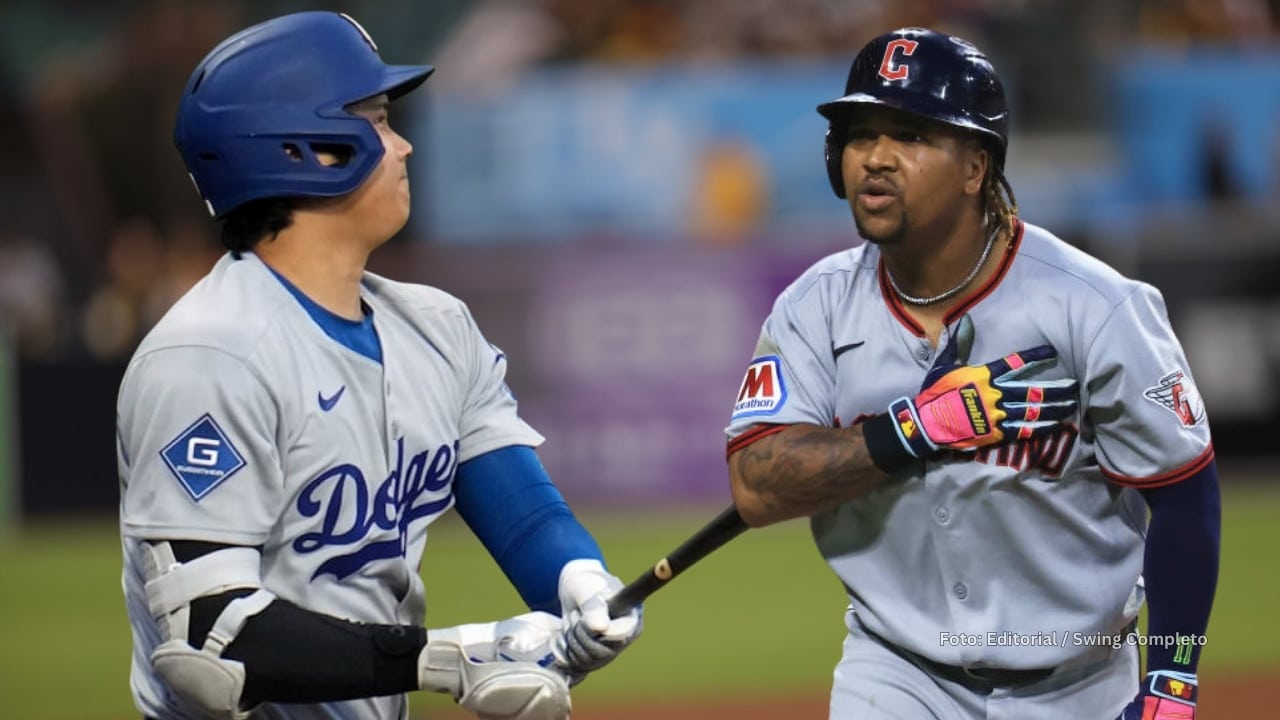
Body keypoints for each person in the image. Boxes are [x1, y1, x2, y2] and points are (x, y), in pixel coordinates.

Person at [115, 12, 641, 720]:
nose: (405, 145)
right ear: (309, 149)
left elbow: (523, 516)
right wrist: (446, 656)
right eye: (379, 120)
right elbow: (208, 643)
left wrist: (579, 582)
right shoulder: (209, 355)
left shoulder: (436, 326)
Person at [724, 27, 1218, 720]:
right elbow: (755, 484)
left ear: (976, 168)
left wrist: (1172, 684)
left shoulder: (1095, 307)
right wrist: (910, 431)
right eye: (863, 135)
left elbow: (1184, 496)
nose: (877, 159)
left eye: (913, 136)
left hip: (1078, 683)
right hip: (893, 671)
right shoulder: (815, 308)